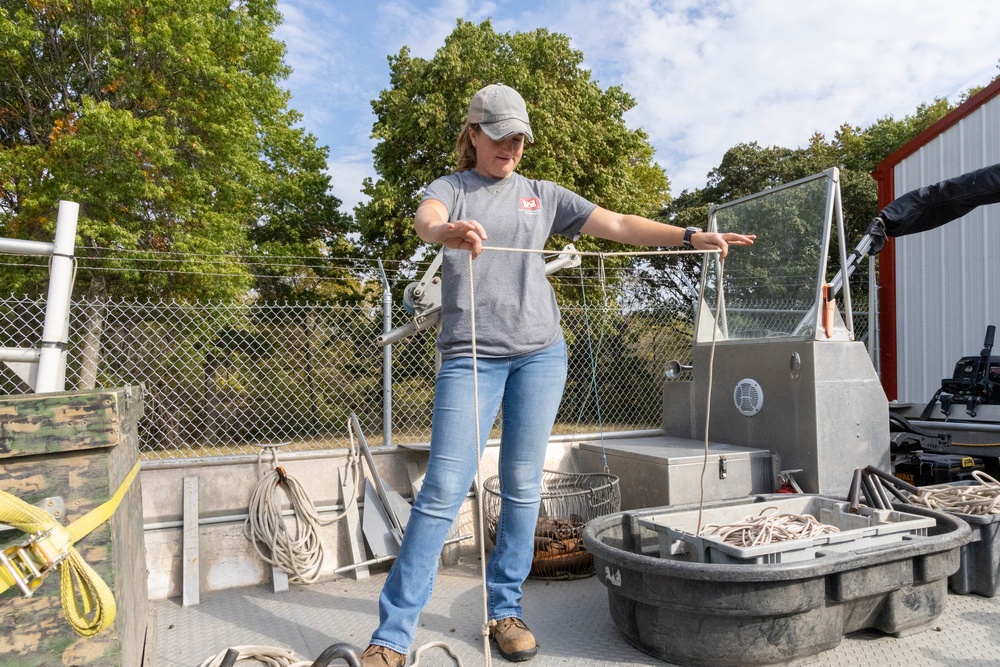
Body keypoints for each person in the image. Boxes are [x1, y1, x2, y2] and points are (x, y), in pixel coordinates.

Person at [359, 83, 755, 667]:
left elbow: (617, 223)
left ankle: (505, 612)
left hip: (541, 353)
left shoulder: (542, 196)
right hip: (471, 356)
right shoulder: (453, 189)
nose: (510, 148)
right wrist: (445, 232)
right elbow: (428, 217)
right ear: (473, 135)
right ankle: (392, 637)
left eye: (519, 138)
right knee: (443, 489)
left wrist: (692, 237)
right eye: (498, 137)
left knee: (522, 489)